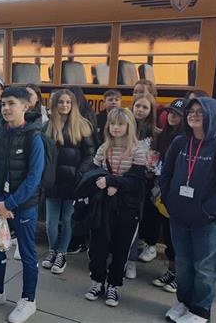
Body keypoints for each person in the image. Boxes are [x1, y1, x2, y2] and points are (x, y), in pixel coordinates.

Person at [161, 97, 216, 323]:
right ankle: (184, 302)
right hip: (179, 217)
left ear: (213, 115)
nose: (194, 115)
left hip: (208, 221)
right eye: (191, 111)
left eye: (200, 111)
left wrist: (206, 210)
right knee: (184, 264)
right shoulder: (179, 143)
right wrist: (169, 201)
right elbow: (166, 174)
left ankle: (200, 311)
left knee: (205, 267)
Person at [0, 87, 45, 323]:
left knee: (26, 253)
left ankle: (28, 300)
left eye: (11, 103)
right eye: (3, 103)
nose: (5, 108)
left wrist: (9, 203)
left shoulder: (34, 137)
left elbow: (34, 178)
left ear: (25, 106)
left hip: (24, 206)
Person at [84, 108, 147, 308]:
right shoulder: (103, 149)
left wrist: (113, 181)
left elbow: (137, 182)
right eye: (112, 124)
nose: (115, 128)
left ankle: (113, 285)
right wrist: (104, 183)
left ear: (129, 126)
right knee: (98, 247)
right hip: (104, 207)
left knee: (121, 249)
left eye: (120, 124)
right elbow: (93, 175)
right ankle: (97, 282)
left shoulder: (137, 151)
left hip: (127, 208)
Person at [41, 89, 97, 274]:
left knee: (67, 220)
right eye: (60, 102)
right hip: (53, 182)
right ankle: (52, 250)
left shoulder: (83, 125)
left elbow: (90, 155)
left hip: (73, 182)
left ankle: (62, 254)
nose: (64, 105)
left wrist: (80, 174)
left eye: (68, 102)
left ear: (73, 104)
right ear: (54, 105)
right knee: (50, 222)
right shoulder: (47, 126)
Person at [151, 98, 188, 294]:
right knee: (168, 234)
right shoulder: (166, 135)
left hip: (178, 192)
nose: (172, 117)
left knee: (179, 237)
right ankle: (171, 270)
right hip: (164, 190)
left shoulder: (185, 139)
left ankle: (180, 275)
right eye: (170, 113)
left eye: (177, 115)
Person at [125, 93, 160, 279]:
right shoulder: (124, 126)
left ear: (150, 111)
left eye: (145, 107)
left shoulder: (155, 133)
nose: (140, 110)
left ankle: (131, 262)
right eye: (137, 105)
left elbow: (157, 157)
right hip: (123, 179)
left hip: (143, 183)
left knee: (135, 222)